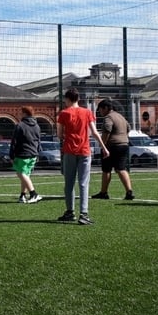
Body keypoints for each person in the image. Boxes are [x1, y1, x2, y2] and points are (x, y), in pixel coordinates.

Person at [56, 88, 109, 225]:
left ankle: (70, 212)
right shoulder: (87, 112)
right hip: (85, 150)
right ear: (78, 99)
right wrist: (104, 148)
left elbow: (59, 135)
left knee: (69, 183)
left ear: (67, 99)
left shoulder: (63, 113)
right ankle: (84, 214)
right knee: (84, 183)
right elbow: (95, 132)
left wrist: (67, 135)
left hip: (69, 151)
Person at [92, 99, 135, 200]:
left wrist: (103, 145)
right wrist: (123, 137)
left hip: (112, 146)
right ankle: (129, 191)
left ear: (106, 108)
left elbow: (107, 129)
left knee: (106, 169)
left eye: (100, 110)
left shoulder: (108, 117)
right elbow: (128, 128)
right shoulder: (121, 116)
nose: (100, 113)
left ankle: (103, 192)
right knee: (121, 168)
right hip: (124, 145)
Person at [9, 106, 42, 204]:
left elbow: (14, 141)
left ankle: (33, 194)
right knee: (26, 174)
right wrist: (38, 152)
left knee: (21, 173)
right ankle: (22, 195)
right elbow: (38, 140)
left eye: (21, 112)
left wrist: (11, 155)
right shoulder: (37, 126)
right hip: (33, 153)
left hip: (22, 153)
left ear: (24, 113)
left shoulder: (20, 125)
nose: (19, 114)